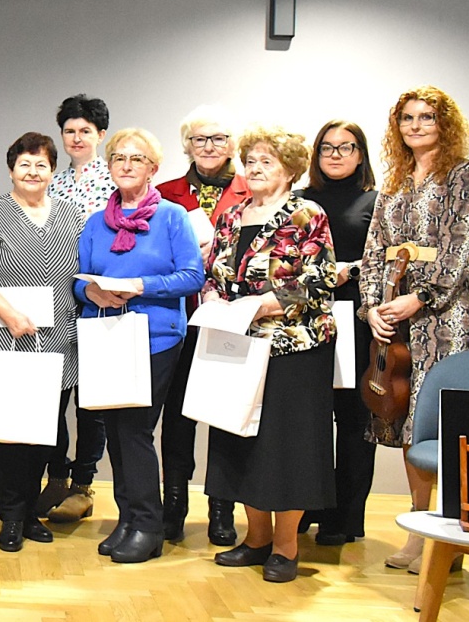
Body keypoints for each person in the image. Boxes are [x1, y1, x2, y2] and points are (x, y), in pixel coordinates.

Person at [359, 86, 469, 573]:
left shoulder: (465, 176)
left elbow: (463, 246)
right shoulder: (393, 180)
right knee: (407, 421)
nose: (415, 125)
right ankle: (419, 527)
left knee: (443, 422)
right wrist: (373, 307)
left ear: (444, 123)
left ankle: (450, 538)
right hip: (393, 318)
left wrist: (421, 298)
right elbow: (375, 249)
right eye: (407, 118)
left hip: (444, 317)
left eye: (427, 117)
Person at [203, 124, 337, 583]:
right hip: (237, 343)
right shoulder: (232, 214)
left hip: (293, 348)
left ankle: (286, 546)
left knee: (287, 448)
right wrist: (212, 298)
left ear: (290, 169)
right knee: (240, 442)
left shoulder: (307, 214)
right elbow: (216, 272)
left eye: (267, 161)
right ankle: (255, 539)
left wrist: (266, 302)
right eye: (251, 160)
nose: (256, 169)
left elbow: (320, 280)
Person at [73, 128, 203, 562]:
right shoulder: (95, 223)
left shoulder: (171, 217)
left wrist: (139, 285)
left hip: (156, 337)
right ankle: (127, 518)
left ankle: (149, 525)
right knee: (114, 432)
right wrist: (90, 292)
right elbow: (79, 277)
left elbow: (192, 277)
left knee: (136, 431)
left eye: (137, 158)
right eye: (119, 158)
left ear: (153, 168)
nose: (127, 165)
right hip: (106, 334)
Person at [0, 132, 85, 552]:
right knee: (12, 437)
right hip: (4, 339)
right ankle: (11, 517)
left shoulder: (71, 215)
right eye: (24, 164)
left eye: (41, 165)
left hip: (58, 343)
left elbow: (83, 274)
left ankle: (32, 512)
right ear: (11, 169)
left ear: (52, 171)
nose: (33, 172)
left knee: (44, 436)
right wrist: (9, 313)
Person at [155, 105, 250, 544]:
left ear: (232, 145)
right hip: (179, 319)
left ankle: (221, 509)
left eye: (217, 139)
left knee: (226, 415)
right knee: (176, 417)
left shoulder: (253, 191)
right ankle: (173, 505)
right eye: (199, 139)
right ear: (186, 146)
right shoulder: (164, 193)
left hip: (234, 321)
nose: (208, 147)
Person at [295, 120, 379, 547]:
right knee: (309, 418)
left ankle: (346, 516)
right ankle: (313, 503)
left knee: (351, 420)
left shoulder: (374, 202)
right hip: (307, 318)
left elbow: (382, 260)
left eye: (345, 147)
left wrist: (354, 269)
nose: (335, 154)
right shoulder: (301, 200)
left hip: (354, 319)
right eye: (327, 147)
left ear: (360, 154)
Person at [38, 93, 113, 523]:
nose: (77, 137)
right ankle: (56, 477)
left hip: (100, 303)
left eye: (85, 130)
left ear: (101, 135)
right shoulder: (53, 181)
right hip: (55, 300)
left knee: (92, 403)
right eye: (69, 130)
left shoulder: (115, 182)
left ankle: (84, 484)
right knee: (53, 396)